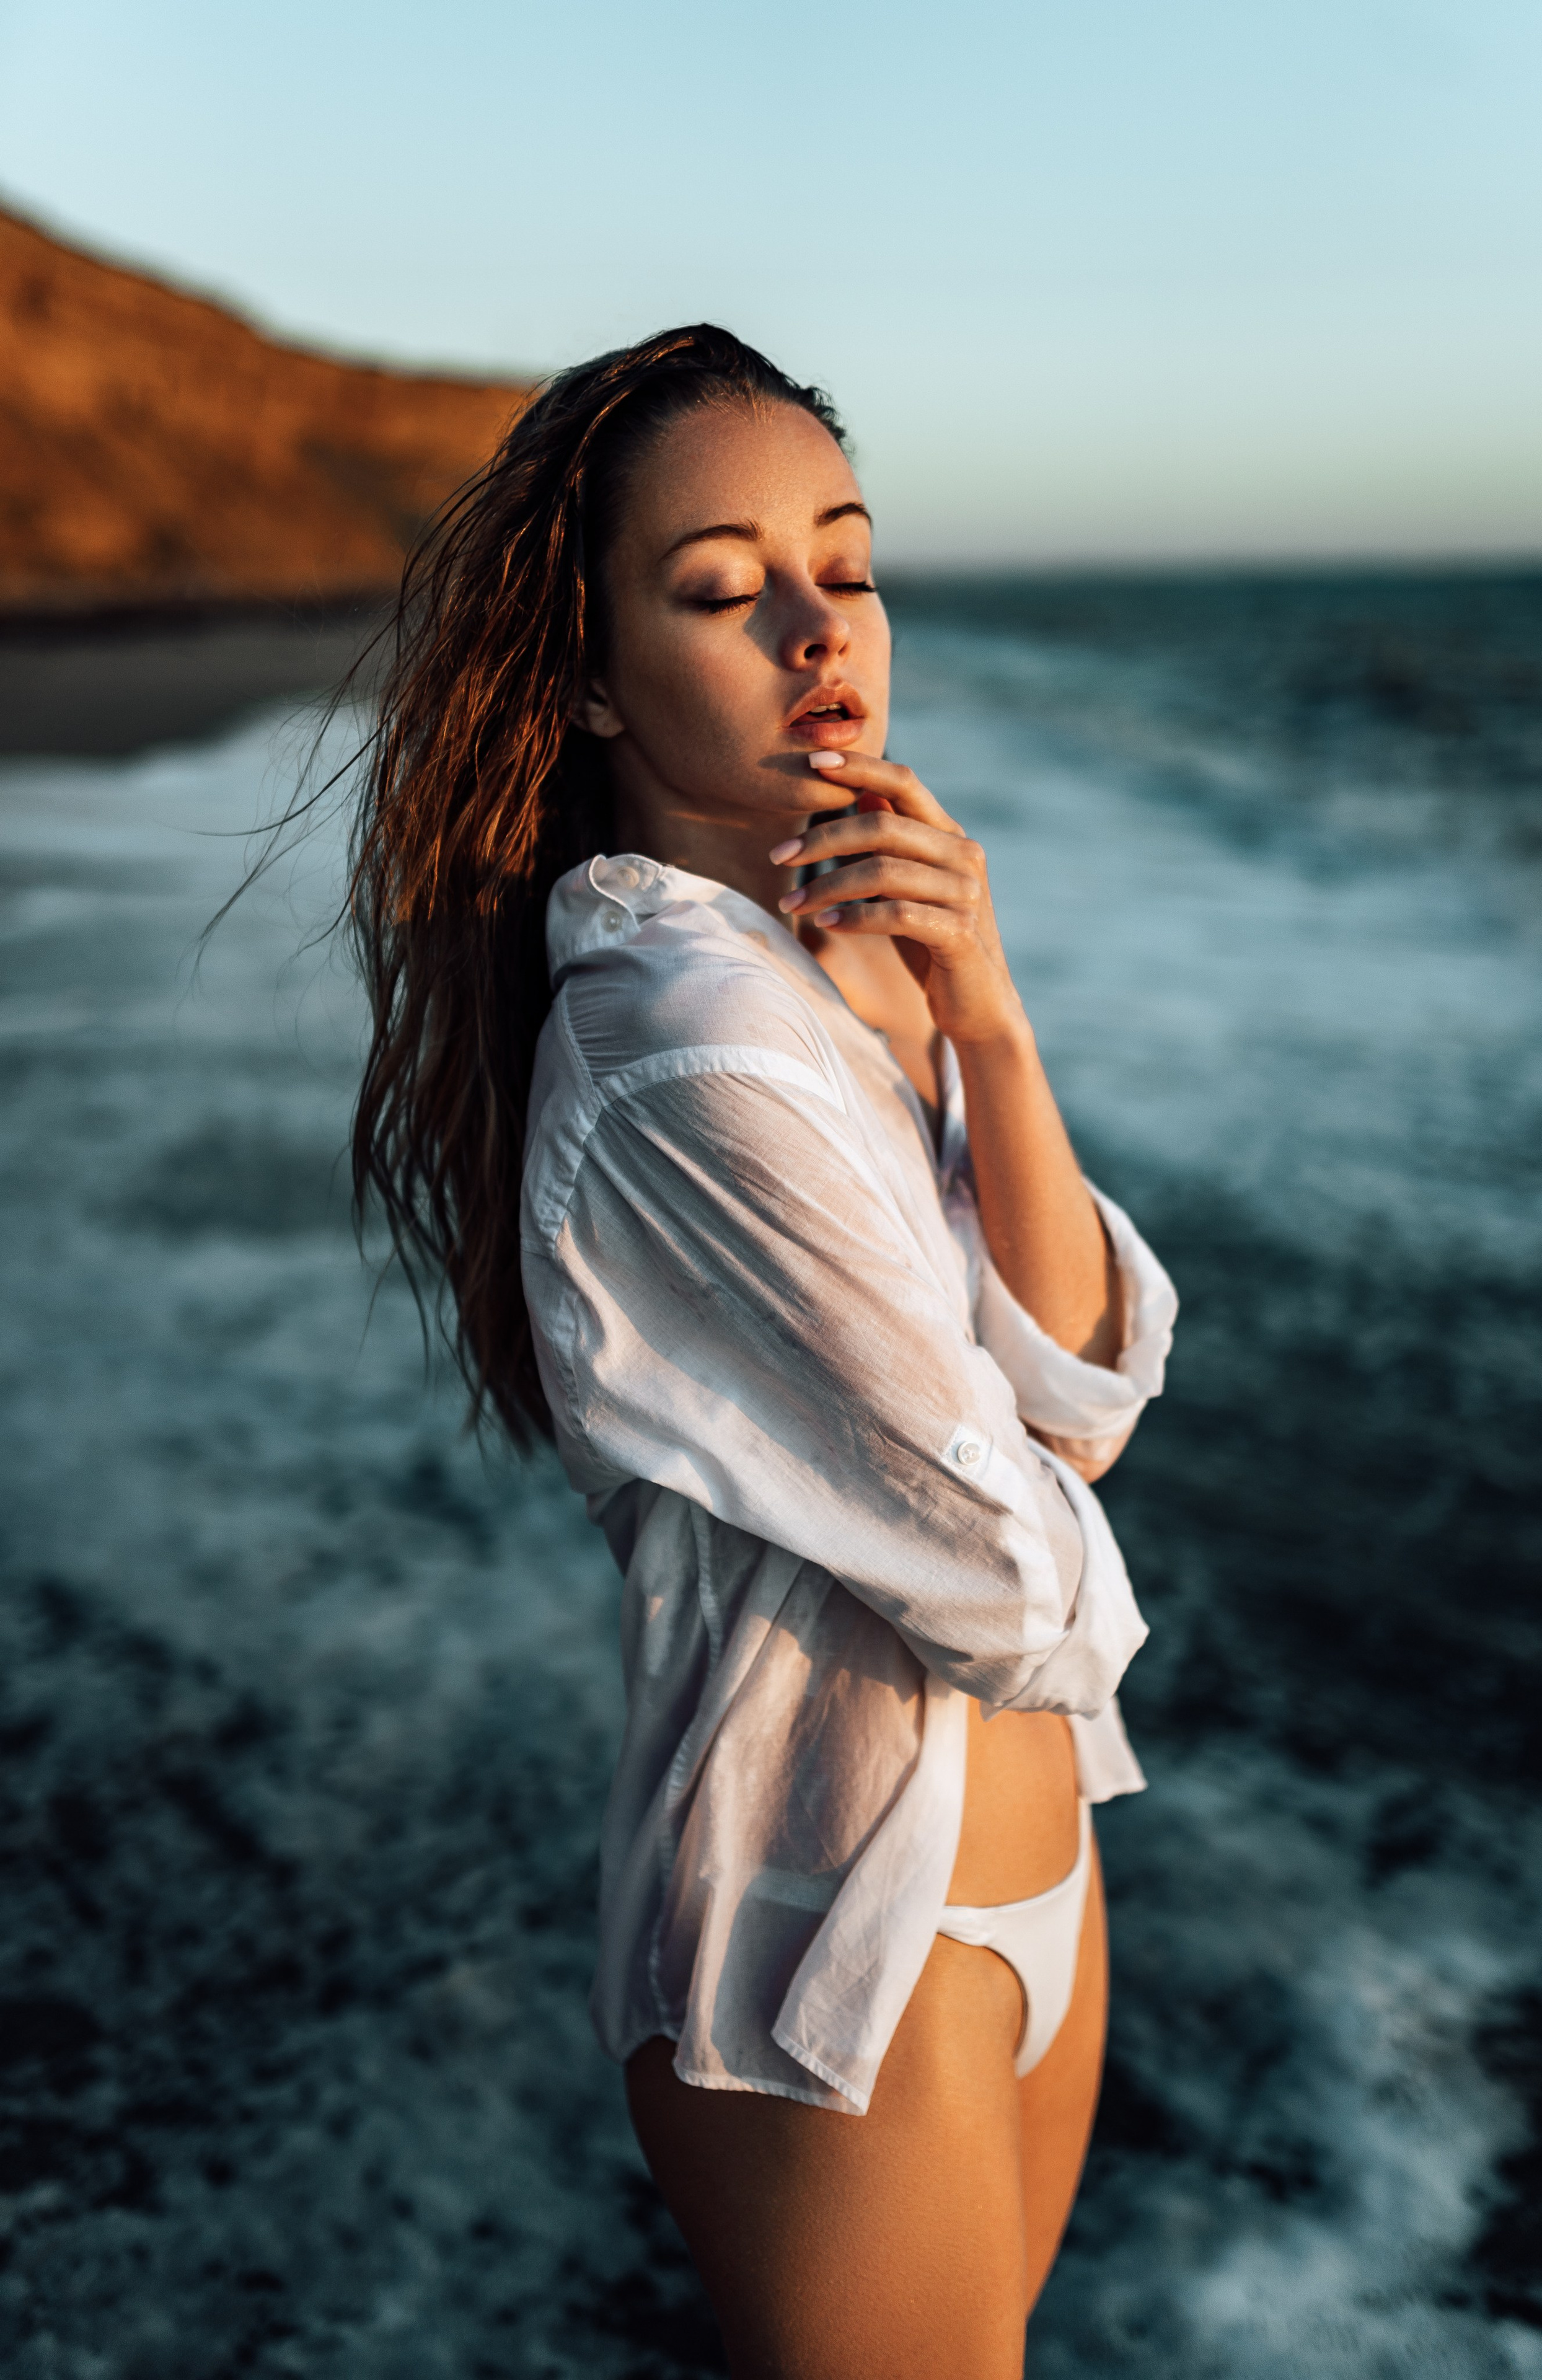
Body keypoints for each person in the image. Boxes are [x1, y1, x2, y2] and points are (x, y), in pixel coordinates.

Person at [347, 326, 1176, 2379]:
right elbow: (1004, 1562)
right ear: (594, 683)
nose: (819, 627)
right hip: (837, 1945)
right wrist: (1042, 1468)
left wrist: (979, 1007)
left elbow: (1082, 1390)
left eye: (850, 563)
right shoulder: (681, 1056)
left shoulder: (845, 970)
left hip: (1032, 1878)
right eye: (726, 590)